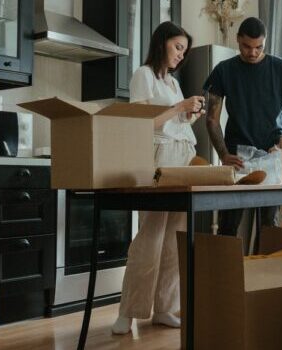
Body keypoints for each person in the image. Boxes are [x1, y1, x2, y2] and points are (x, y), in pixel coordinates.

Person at [111, 21, 205, 335]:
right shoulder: (144, 75)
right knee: (149, 236)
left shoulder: (173, 83)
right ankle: (128, 311)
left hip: (184, 156)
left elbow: (174, 120)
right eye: (178, 47)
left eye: (184, 51)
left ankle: (164, 307)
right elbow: (142, 124)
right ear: (162, 42)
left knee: (175, 236)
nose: (181, 55)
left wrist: (189, 113)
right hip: (158, 158)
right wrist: (180, 106)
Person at [203, 17, 282, 238]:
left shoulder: (281, 68)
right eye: (246, 46)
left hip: (272, 154)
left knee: (269, 227)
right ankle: (226, 272)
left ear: (265, 42)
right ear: (238, 40)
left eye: (258, 47)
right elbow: (212, 119)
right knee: (228, 225)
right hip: (237, 156)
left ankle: (265, 272)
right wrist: (223, 154)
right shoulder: (223, 70)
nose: (252, 52)